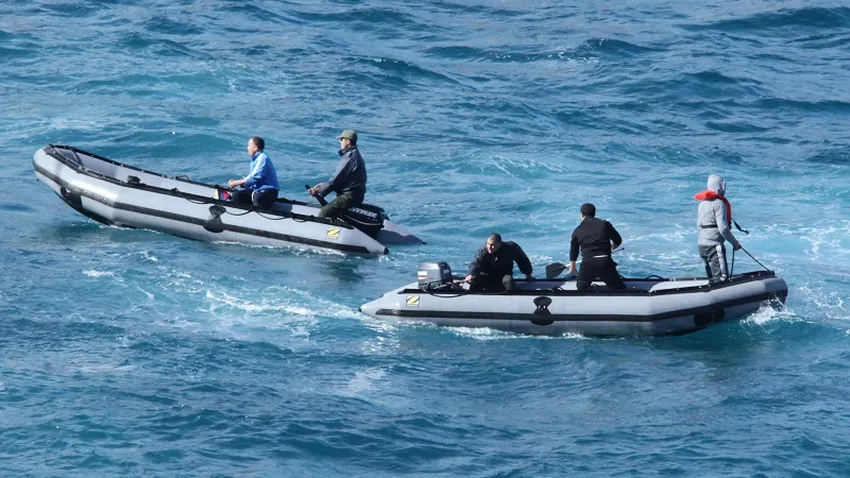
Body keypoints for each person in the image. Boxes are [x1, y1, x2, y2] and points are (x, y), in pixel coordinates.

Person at [307, 129, 367, 218]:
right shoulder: (354, 155)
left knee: (324, 212)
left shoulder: (350, 158)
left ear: (348, 141)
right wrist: (321, 187)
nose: (340, 142)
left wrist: (317, 190)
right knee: (333, 209)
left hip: (351, 196)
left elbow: (334, 181)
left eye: (342, 139)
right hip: (354, 194)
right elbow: (340, 180)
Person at [568, 203, 626, 292]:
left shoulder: (577, 230)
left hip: (588, 264)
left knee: (581, 289)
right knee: (620, 289)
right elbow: (618, 240)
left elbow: (573, 251)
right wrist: (611, 248)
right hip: (605, 261)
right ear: (594, 213)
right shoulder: (605, 224)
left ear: (582, 215)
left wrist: (572, 267)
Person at [695, 173, 741, 283]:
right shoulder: (720, 204)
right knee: (721, 278)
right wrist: (735, 243)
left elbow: (698, 226)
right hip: (714, 247)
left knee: (712, 278)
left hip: (702, 246)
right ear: (720, 187)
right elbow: (723, 229)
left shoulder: (702, 204)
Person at [464, 233, 534, 292]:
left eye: (492, 245)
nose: (489, 247)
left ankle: (511, 296)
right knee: (474, 280)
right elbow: (475, 263)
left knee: (509, 281)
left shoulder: (511, 248)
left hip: (503, 275)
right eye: (488, 244)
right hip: (486, 276)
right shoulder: (483, 250)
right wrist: (470, 274)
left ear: (499, 244)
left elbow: (522, 260)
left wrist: (528, 274)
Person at [227, 136, 280, 209]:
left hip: (270, 191)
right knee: (237, 195)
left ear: (255, 148)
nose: (247, 148)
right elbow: (251, 176)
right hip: (257, 190)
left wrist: (236, 182)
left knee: (258, 199)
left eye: (249, 145)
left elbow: (255, 178)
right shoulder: (255, 159)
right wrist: (239, 183)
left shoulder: (262, 158)